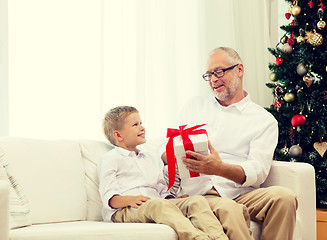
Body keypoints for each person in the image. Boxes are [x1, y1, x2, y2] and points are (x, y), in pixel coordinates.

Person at [161, 47, 298, 240]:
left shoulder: (263, 120)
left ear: (239, 70)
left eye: (218, 72)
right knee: (230, 209)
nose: (213, 80)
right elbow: (164, 148)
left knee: (284, 198)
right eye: (208, 75)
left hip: (240, 192)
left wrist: (219, 168)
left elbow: (258, 170)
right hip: (200, 195)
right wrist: (172, 154)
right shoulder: (193, 107)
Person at [98, 106, 229, 240]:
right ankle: (198, 238)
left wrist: (172, 199)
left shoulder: (151, 158)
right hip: (125, 210)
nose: (142, 128)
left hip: (156, 203)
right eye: (135, 125)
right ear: (118, 135)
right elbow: (109, 196)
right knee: (157, 204)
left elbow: (161, 189)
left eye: (141, 123)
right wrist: (131, 199)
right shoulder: (110, 158)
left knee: (196, 201)